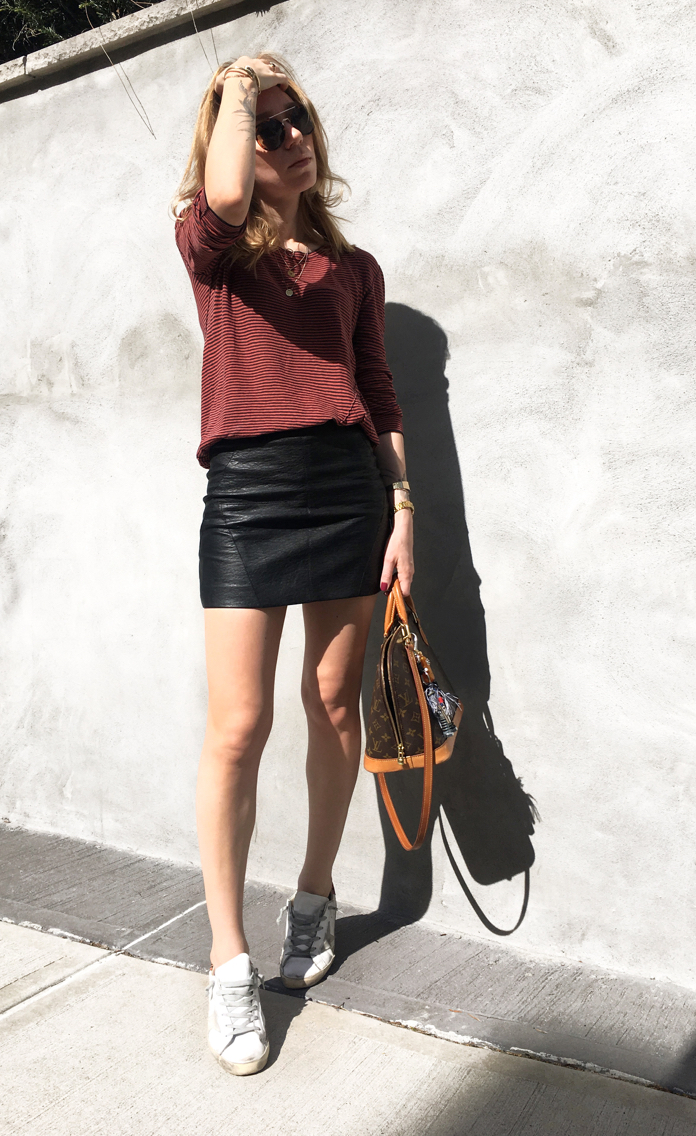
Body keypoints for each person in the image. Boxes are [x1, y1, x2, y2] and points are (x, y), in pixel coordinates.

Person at [172, 53, 414, 1076]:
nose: (292, 138)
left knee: (333, 704)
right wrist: (240, 81)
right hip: (249, 493)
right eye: (268, 127)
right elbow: (227, 195)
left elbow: (379, 388)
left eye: (298, 117)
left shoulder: (356, 270)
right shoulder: (212, 244)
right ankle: (228, 962)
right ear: (233, 140)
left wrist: (404, 509)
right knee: (238, 726)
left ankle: (313, 899)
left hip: (349, 489)